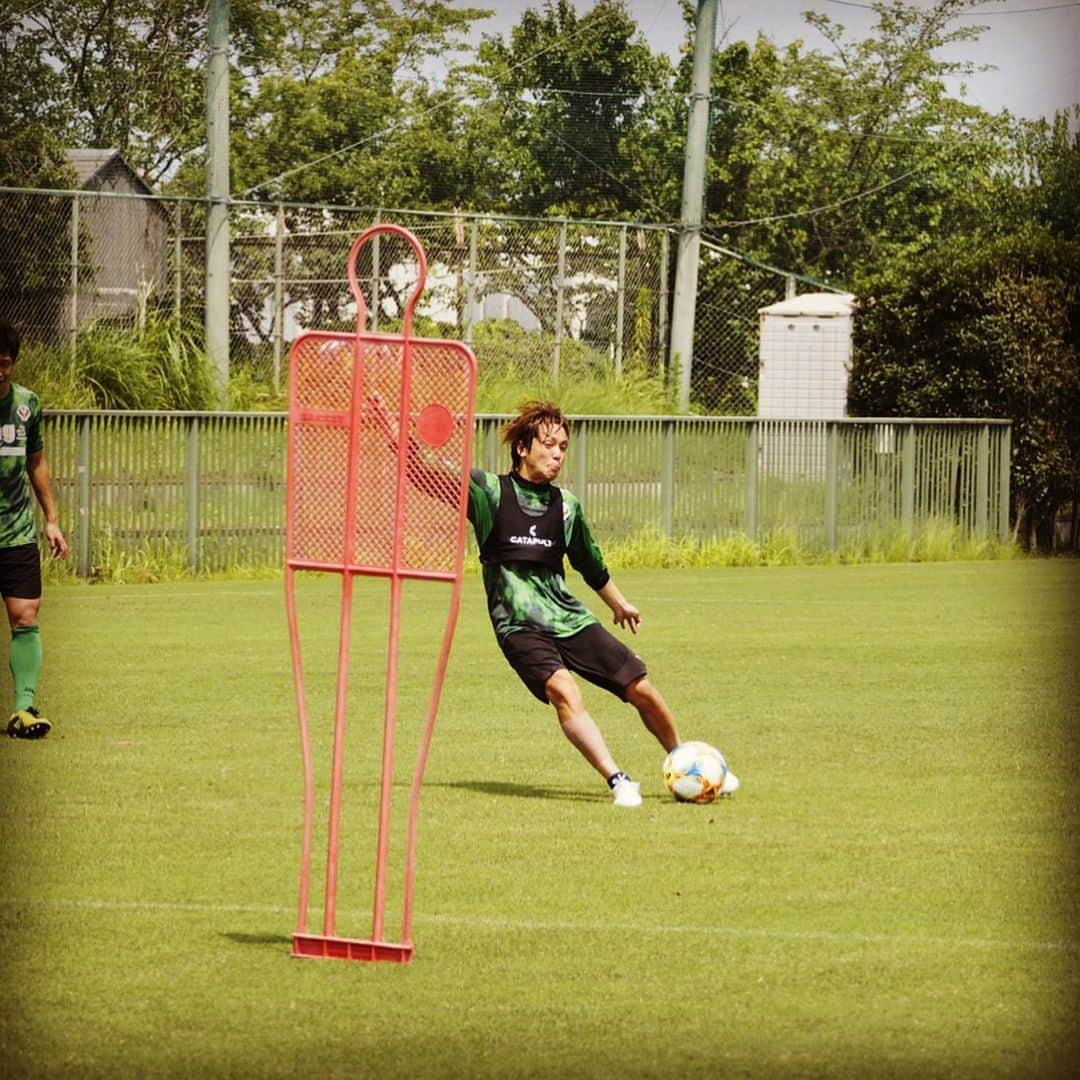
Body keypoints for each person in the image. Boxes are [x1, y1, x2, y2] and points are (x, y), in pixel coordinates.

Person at [460, 400, 737, 808]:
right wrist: (395, 435)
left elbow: (591, 564)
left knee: (639, 686)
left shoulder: (567, 506)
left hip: (569, 619)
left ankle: (686, 761)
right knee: (563, 689)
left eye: (564, 448)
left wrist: (620, 604)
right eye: (549, 444)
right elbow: (426, 475)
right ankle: (618, 779)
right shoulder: (489, 492)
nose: (557, 454)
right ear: (522, 448)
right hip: (518, 626)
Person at [0, 319, 68, 739]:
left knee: (25, 615)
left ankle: (24, 709)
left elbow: (36, 462)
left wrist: (52, 519)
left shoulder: (27, 406)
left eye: (5, 362)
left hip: (15, 530)